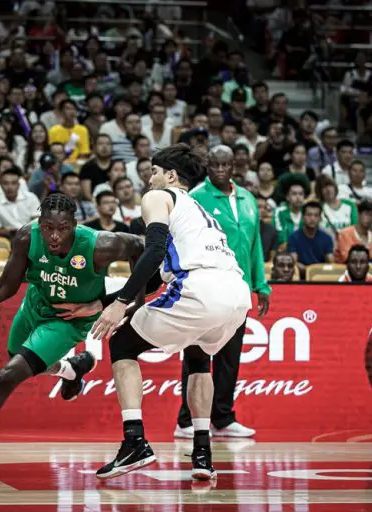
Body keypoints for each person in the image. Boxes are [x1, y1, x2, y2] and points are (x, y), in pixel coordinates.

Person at [0, 193, 146, 481]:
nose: (54, 235)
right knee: (18, 360)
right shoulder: (26, 237)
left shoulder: (101, 245)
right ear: (39, 223)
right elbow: (6, 285)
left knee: (6, 377)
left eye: (62, 228)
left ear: (74, 225)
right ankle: (71, 369)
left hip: (67, 320)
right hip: (34, 304)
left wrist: (125, 302)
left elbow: (140, 247)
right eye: (47, 227)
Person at [85, 144, 252, 480]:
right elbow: (154, 279)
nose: (149, 180)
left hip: (201, 289)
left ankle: (134, 442)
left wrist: (119, 304)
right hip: (237, 294)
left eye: (154, 172)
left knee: (122, 344)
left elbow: (153, 250)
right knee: (198, 358)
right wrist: (106, 302)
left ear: (171, 176)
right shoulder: (199, 211)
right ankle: (202, 453)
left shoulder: (159, 197)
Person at [174, 144, 269, 439]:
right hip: (206, 288)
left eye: (225, 165)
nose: (219, 170)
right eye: (214, 165)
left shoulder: (248, 199)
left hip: (238, 290)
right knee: (198, 355)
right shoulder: (196, 198)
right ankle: (186, 420)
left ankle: (223, 418)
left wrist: (261, 285)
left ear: (233, 167)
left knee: (230, 357)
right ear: (207, 167)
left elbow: (254, 245)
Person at [0, 167, 41, 238]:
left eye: (14, 183)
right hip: (8, 238)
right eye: (5, 183)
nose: (10, 187)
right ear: (1, 185)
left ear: (19, 184)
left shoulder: (31, 198)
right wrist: (10, 232)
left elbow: (37, 222)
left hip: (31, 236)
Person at [288, 201, 335, 276]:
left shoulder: (327, 238)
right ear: (302, 217)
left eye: (316, 215)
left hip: (321, 275)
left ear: (320, 219)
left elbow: (330, 262)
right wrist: (310, 271)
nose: (312, 218)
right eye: (309, 215)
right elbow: (293, 262)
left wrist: (316, 272)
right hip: (300, 276)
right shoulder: (293, 237)